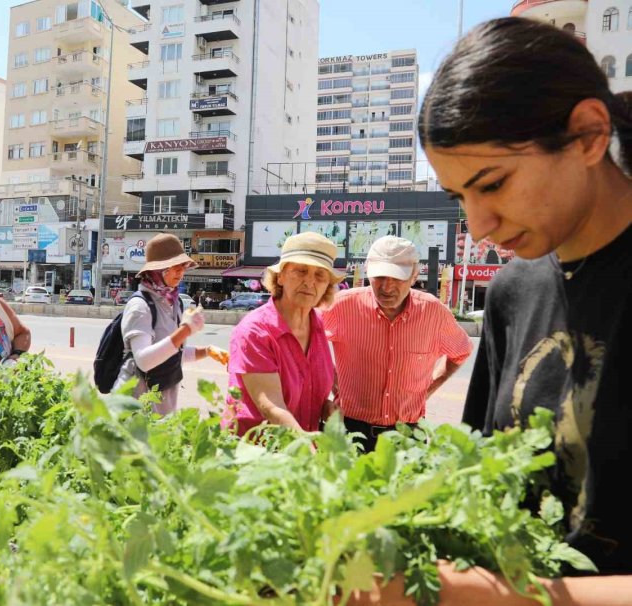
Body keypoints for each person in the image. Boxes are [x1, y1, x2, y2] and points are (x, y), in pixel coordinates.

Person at [349, 17, 632, 605]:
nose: (478, 228)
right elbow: (481, 476)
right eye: (459, 198)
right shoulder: (514, 289)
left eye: (494, 184)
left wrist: (492, 595)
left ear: (587, 135)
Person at [322, 236, 472, 452]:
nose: (387, 286)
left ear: (413, 276)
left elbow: (461, 352)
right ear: (367, 271)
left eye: (397, 278)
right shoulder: (342, 305)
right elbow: (306, 340)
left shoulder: (433, 312)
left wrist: (428, 389)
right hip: (351, 430)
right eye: (379, 276)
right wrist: (330, 378)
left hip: (408, 435)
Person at [225, 232, 343, 436]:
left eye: (319, 275)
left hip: (299, 455)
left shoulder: (318, 325)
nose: (309, 282)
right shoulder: (255, 331)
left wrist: (326, 407)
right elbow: (271, 406)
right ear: (280, 276)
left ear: (327, 286)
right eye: (300, 271)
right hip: (255, 456)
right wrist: (309, 448)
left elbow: (313, 388)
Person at [113, 233, 227, 415]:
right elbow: (144, 361)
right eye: (174, 267)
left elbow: (172, 355)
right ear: (156, 271)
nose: (180, 272)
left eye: (183, 267)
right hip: (133, 411)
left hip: (163, 410)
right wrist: (186, 330)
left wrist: (207, 351)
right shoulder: (140, 306)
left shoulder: (174, 302)